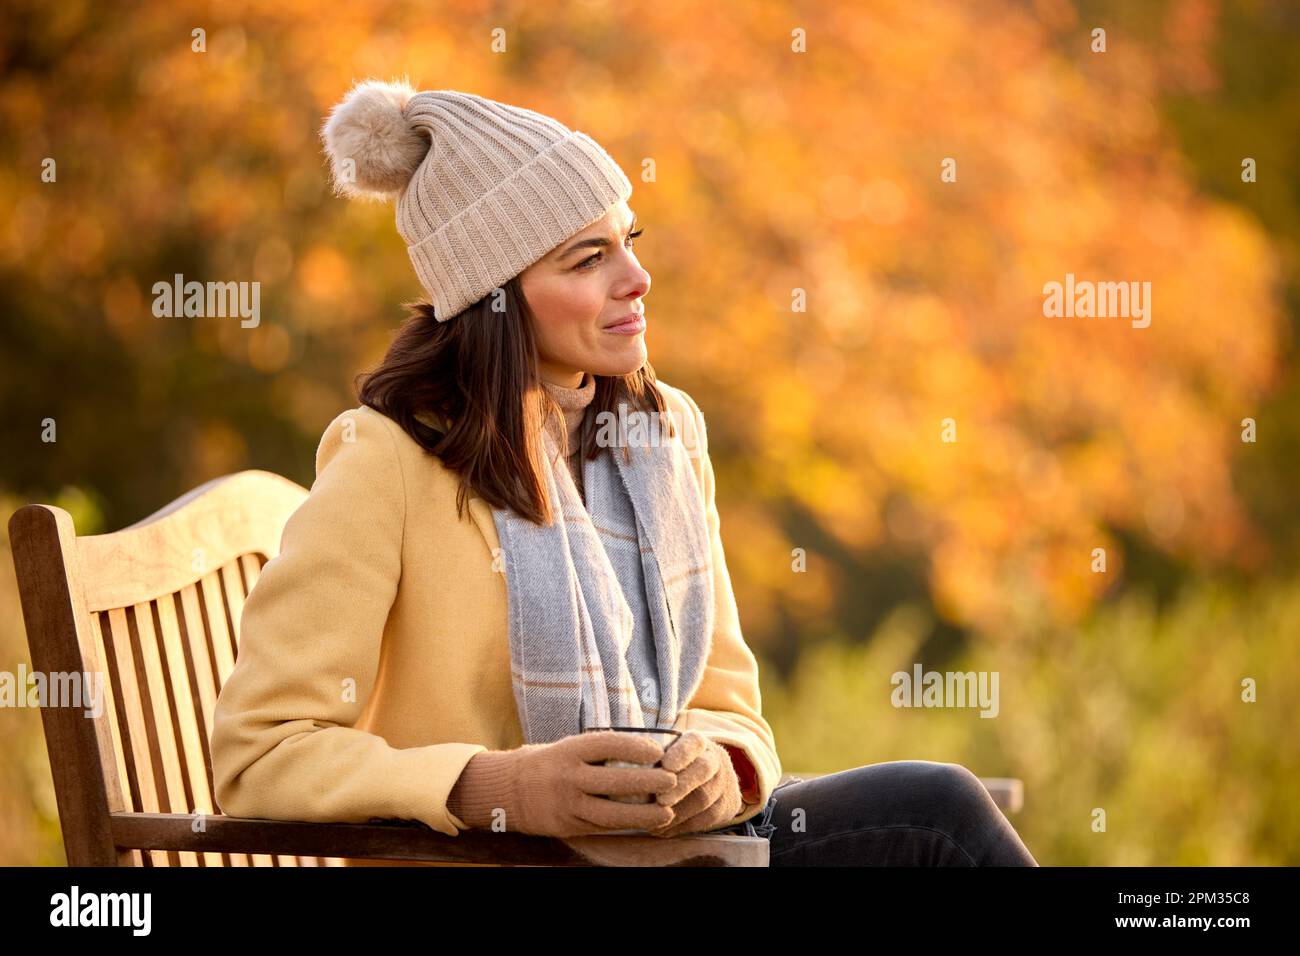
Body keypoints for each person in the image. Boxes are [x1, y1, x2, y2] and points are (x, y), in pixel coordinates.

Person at [209, 79, 1037, 867]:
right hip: (506, 856)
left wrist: (722, 767)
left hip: (677, 850)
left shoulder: (663, 436)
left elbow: (728, 704)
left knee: (939, 812)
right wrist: (503, 788)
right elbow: (263, 755)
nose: (636, 278)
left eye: (628, 242)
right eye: (587, 258)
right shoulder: (386, 460)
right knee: (938, 825)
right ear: (495, 297)